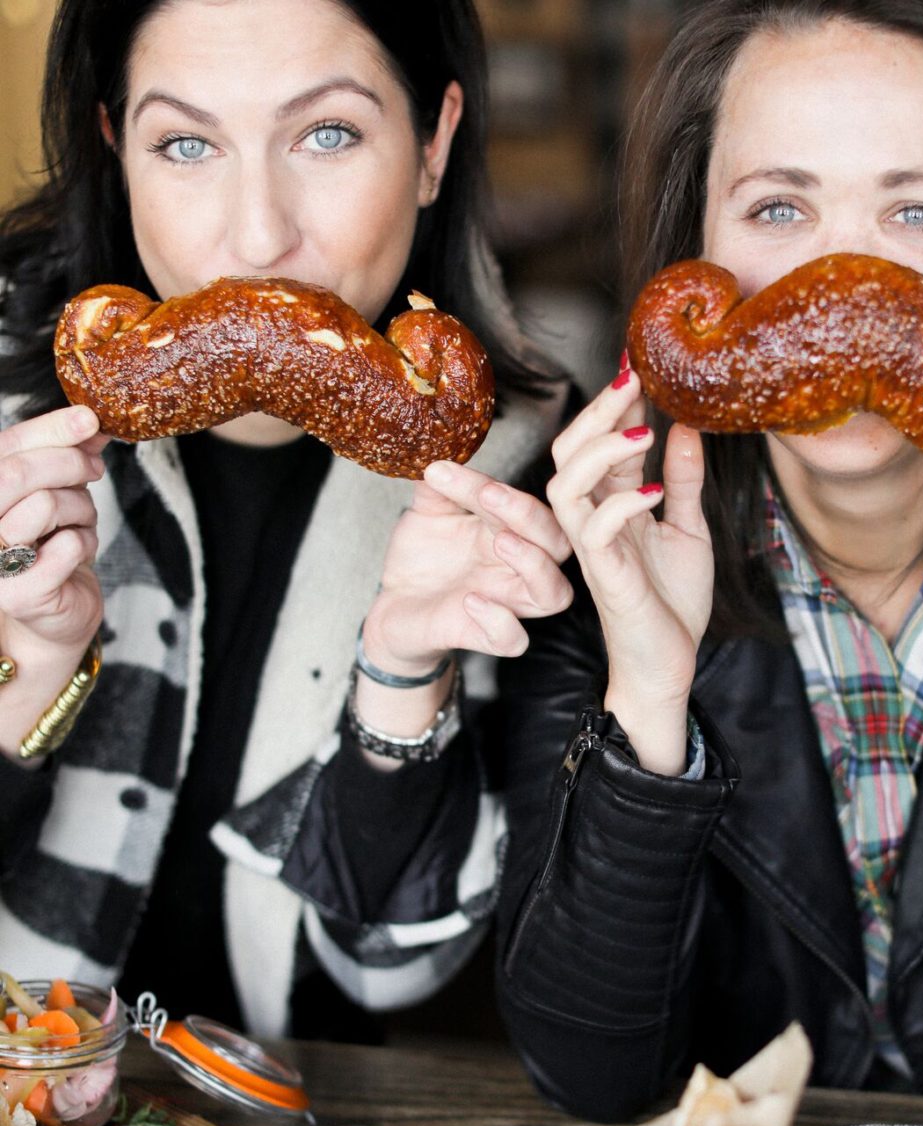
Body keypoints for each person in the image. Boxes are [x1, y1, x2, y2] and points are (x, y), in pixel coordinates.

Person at [484, 0, 923, 1126]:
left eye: (917, 210)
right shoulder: (589, 541)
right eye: (779, 207)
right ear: (698, 260)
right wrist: (650, 707)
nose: (848, 291)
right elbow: (590, 1077)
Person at [0, 0, 572, 1041]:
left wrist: (403, 677)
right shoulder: (11, 430)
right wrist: (20, 679)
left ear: (434, 145)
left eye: (327, 134)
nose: (257, 234)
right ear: (113, 148)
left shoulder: (524, 479)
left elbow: (392, 974)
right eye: (184, 143)